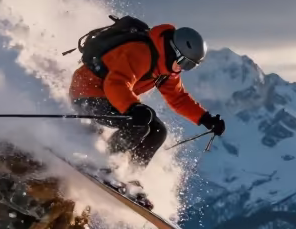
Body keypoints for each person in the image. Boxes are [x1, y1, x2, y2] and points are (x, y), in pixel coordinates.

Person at [69, 23, 226, 171]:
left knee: (158, 131)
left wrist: (206, 119)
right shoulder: (141, 52)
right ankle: (102, 164)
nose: (182, 69)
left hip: (114, 99)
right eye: (184, 62)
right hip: (87, 93)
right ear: (174, 51)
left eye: (189, 66)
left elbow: (178, 98)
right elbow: (116, 82)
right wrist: (132, 107)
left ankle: (131, 175)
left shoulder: (166, 70)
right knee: (138, 125)